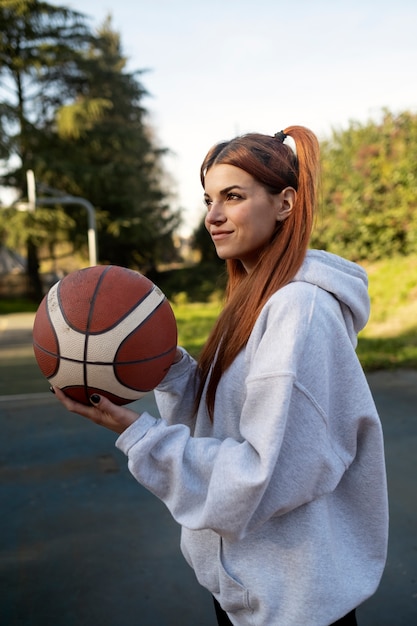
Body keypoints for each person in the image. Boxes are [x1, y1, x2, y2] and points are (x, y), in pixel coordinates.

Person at [53, 125, 389, 626]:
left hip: (294, 607)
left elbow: (265, 476)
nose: (212, 216)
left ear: (285, 203)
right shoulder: (254, 299)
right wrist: (165, 365)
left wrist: (137, 434)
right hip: (253, 593)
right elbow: (227, 420)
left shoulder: (300, 309)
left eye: (233, 196)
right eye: (209, 198)